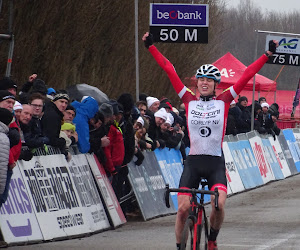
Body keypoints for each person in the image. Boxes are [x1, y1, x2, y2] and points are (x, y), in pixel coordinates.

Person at [142, 31, 278, 250]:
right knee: (182, 209)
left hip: (215, 161)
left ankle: (212, 238)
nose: (205, 83)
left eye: (209, 80)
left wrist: (267, 54)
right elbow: (169, 69)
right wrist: (151, 47)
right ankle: (179, 246)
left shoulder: (225, 100)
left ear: (216, 85)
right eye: (202, 80)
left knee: (219, 206)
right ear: (197, 84)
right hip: (194, 162)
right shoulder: (188, 99)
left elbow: (247, 75)